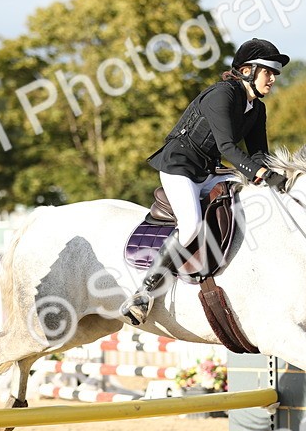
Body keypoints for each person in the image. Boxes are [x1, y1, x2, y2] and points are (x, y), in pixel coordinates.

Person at [119, 37, 290, 325]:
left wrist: (276, 174)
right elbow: (227, 147)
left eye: (274, 74)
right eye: (268, 72)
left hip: (209, 170)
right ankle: (144, 292)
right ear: (247, 70)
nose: (272, 79)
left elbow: (259, 152)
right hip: (180, 167)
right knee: (191, 226)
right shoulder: (222, 95)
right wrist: (259, 173)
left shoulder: (256, 108)